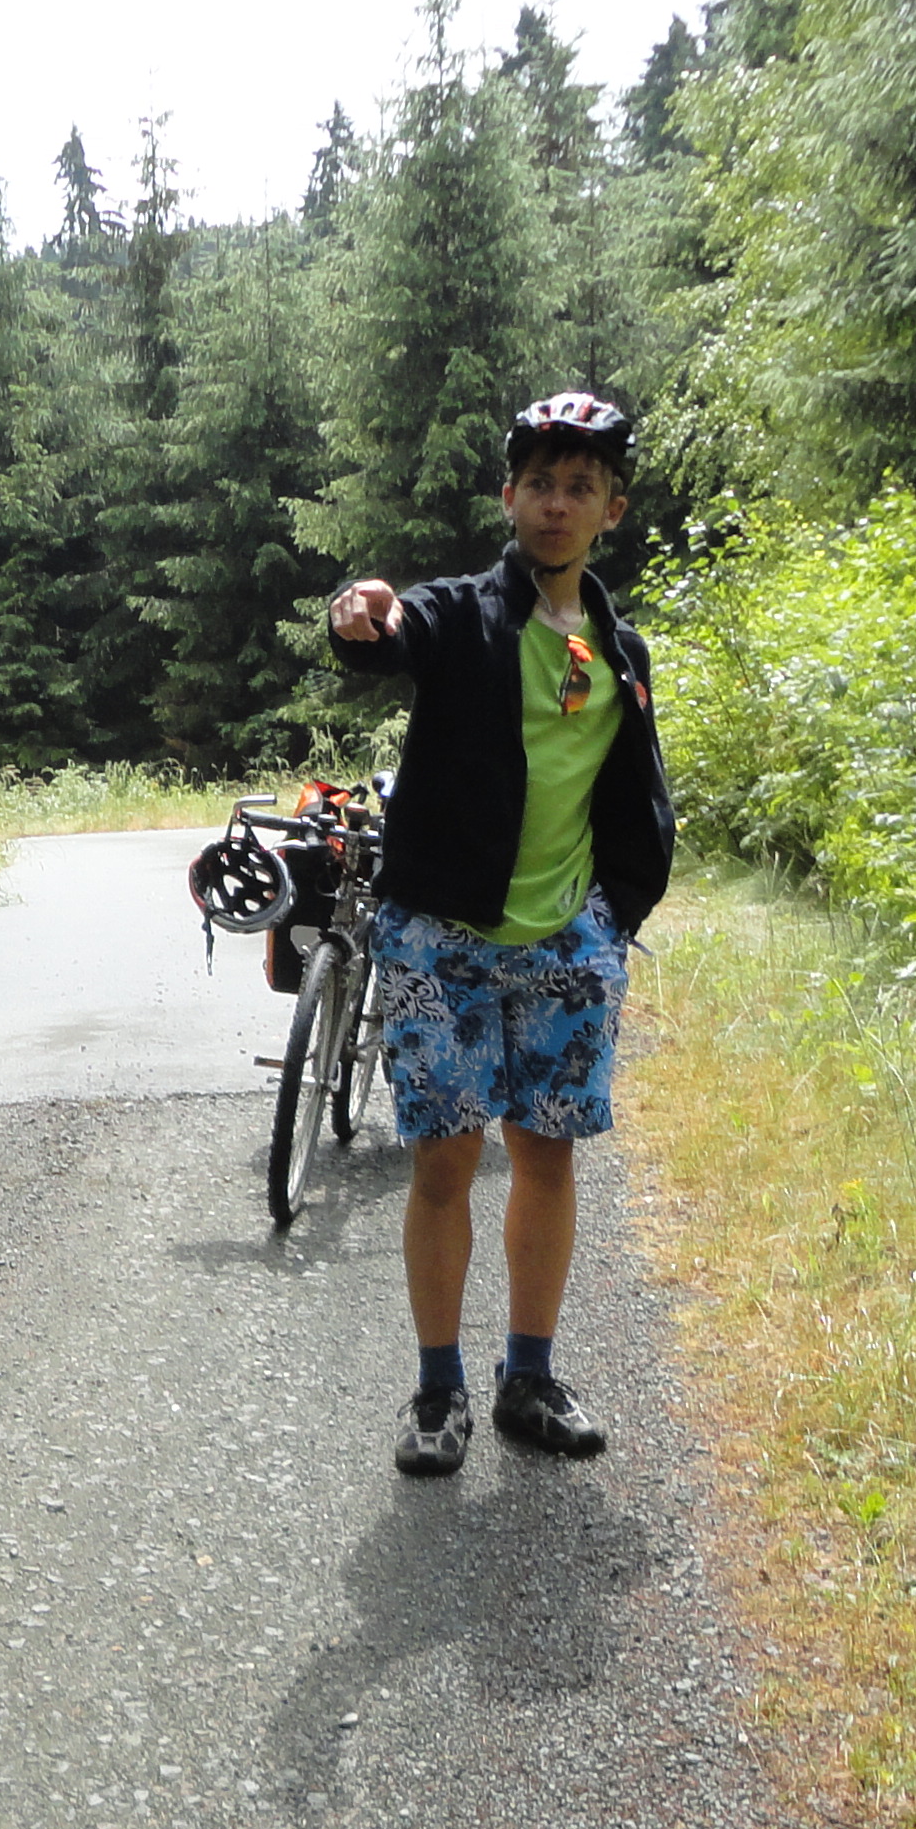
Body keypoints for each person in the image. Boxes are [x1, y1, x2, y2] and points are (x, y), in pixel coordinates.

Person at [323, 390, 677, 1479]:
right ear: (509, 497)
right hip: (443, 936)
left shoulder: (619, 649)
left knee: (547, 1154)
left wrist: (614, 914)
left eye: (581, 488)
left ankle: (530, 1378)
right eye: (540, 484)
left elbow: (630, 793)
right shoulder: (465, 615)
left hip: (568, 941)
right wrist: (358, 613)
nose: (557, 504)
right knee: (445, 1159)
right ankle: (439, 1392)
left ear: (612, 510)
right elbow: (392, 631)